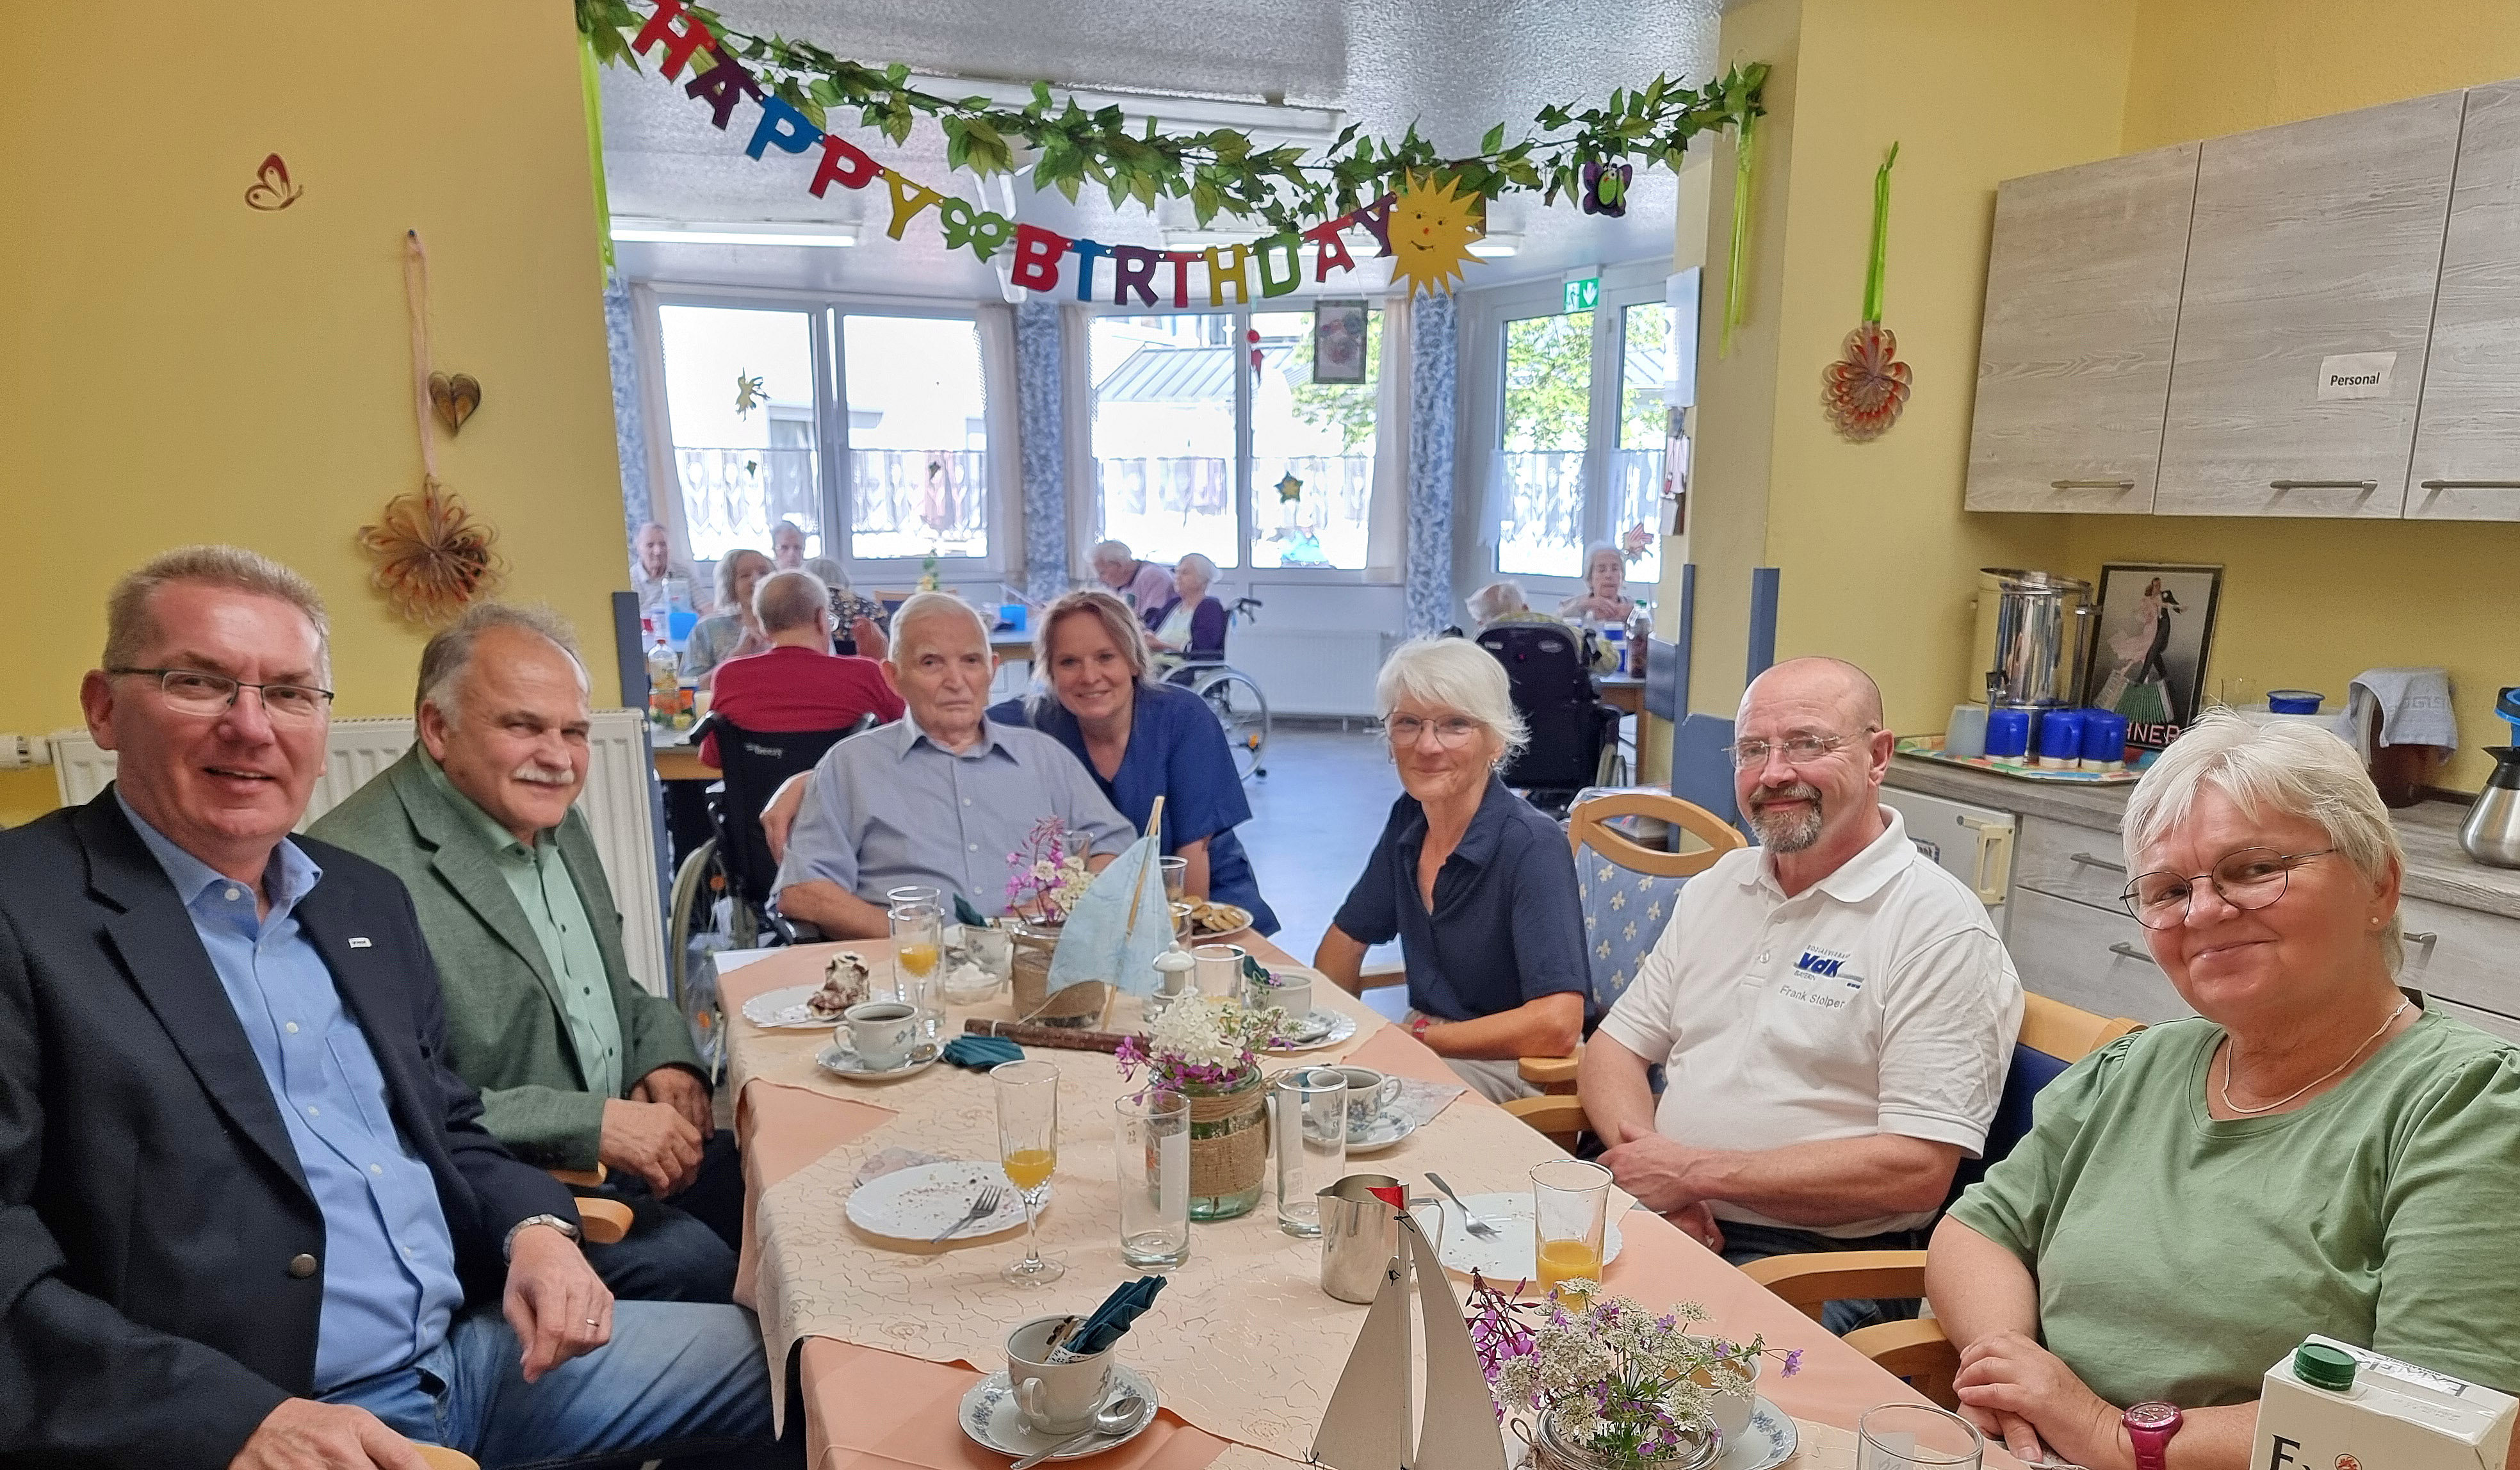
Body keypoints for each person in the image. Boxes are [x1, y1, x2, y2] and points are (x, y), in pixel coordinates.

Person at [0, 546, 781, 1466]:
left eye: (290, 692)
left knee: (808, 1366)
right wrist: (235, 1420)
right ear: (103, 706)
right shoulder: (28, 913)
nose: (250, 726)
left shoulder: (355, 898)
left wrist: (535, 1228)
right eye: (199, 682)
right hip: (270, 1419)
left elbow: (446, 1115)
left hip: (476, 1357)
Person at [1926, 713, 2520, 1470]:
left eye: (2250, 869)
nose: (2202, 911)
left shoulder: (2467, 1106)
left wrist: (2111, 1433)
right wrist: (2005, 1363)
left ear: (2379, 885)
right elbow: (1978, 1229)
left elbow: (2434, 1419)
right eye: (2169, 889)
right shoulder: (2136, 1067)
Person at [311, 601, 745, 1307]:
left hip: (616, 1151)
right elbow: (395, 1105)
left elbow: (604, 986)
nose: (557, 757)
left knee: (777, 1184)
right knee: (706, 1266)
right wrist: (592, 1123)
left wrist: (665, 1055)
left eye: (573, 731)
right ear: (436, 728)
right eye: (522, 726)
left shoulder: (556, 821)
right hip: (509, 1197)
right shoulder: (354, 874)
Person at [1579, 656, 2023, 1333]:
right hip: (1659, 1215)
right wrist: (1658, 1180)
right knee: (1480, 1311)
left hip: (1817, 1262)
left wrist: (1693, 1174)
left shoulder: (1937, 929)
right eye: (1753, 749)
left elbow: (1914, 1171)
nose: (1774, 772)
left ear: (1878, 757)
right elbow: (1612, 1050)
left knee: (1606, 1390)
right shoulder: (1718, 887)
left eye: (1807, 744)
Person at [1314, 637, 1589, 1102]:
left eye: (1455, 725)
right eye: (1407, 723)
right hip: (1428, 1050)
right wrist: (1326, 1034)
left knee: (1346, 1112)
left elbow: (1558, 1025)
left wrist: (1421, 1037)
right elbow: (1345, 940)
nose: (1426, 745)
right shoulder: (1411, 817)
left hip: (1516, 1066)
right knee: (1301, 1093)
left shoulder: (1531, 844)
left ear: (1495, 740)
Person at [770, 592, 1135, 939]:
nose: (956, 682)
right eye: (931, 663)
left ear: (992, 670)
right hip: (907, 975)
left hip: (1036, 961)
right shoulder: (851, 766)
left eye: (971, 661)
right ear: (894, 678)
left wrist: (1061, 903)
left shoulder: (1044, 758)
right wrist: (925, 939)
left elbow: (1117, 847)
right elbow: (803, 891)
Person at [985, 589, 1278, 935]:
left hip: (1202, 903)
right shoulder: (1027, 725)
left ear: (1135, 660)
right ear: (1048, 671)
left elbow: (1193, 861)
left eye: (1106, 657)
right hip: (1085, 918)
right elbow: (957, 732)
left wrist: (1178, 950)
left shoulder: (1184, 720)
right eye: (1069, 662)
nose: (1089, 676)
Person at [699, 570, 904, 770]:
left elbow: (713, 758)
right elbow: (906, 740)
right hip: (844, 802)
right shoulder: (866, 673)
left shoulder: (730, 676)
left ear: (763, 627)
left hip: (760, 804)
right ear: (821, 619)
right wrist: (882, 662)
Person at [1469, 579, 1616, 673]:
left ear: (1480, 623)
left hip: (1501, 718)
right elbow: (1608, 661)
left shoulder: (1482, 641)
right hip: (1561, 715)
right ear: (1526, 608)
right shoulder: (1557, 629)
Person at [681, 547, 772, 688]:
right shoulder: (708, 630)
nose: (756, 580)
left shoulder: (791, 628)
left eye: (764, 573)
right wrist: (735, 657)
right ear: (730, 586)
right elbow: (688, 689)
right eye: (745, 575)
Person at [1144, 552, 1226, 661]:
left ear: (1203, 580)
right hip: (1153, 665)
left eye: (1185, 573)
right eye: (1176, 572)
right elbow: (1153, 630)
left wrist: (1161, 645)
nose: (1177, 577)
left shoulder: (1209, 608)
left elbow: (1202, 649)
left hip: (1179, 668)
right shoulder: (1174, 604)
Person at [630, 519, 703, 619]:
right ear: (638, 548)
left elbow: (705, 607)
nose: (658, 552)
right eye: (650, 545)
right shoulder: (631, 579)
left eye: (663, 544)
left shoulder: (682, 573)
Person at [1089, 537, 1178, 615]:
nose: (1100, 580)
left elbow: (1151, 620)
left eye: (1102, 573)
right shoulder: (1119, 584)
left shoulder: (1153, 576)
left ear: (1118, 565)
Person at [1558, 541, 1638, 623]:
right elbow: (1556, 624)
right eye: (1601, 570)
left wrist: (1632, 618)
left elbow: (1646, 632)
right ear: (1590, 577)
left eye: (1615, 569)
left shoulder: (1634, 609)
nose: (1609, 575)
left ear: (1622, 575)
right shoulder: (1572, 606)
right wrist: (1583, 606)